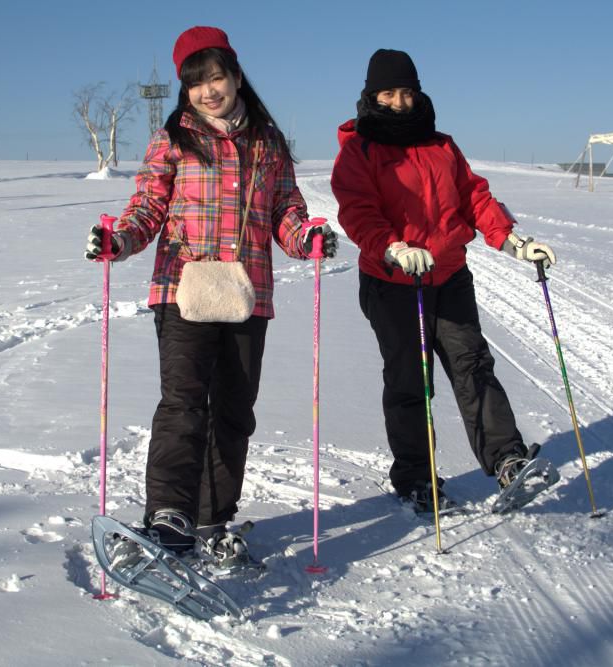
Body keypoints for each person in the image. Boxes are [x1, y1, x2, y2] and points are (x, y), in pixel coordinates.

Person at [85, 26, 336, 560]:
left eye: (216, 77)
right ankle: (169, 514)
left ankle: (213, 518)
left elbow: (285, 210)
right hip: (182, 290)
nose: (208, 91)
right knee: (182, 403)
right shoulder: (173, 138)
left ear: (236, 76)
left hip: (248, 294)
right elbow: (147, 208)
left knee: (234, 410)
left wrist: (307, 236)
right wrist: (119, 239)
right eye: (195, 82)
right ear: (185, 88)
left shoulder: (267, 143)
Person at [330, 48, 554, 513]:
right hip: (392, 282)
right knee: (411, 379)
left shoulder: (441, 145)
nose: (399, 102)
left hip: (448, 274)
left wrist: (511, 240)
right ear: (372, 96)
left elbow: (474, 196)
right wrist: (393, 248)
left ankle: (508, 460)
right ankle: (415, 479)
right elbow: (357, 211)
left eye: (407, 92)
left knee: (473, 365)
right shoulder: (359, 149)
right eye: (388, 93)